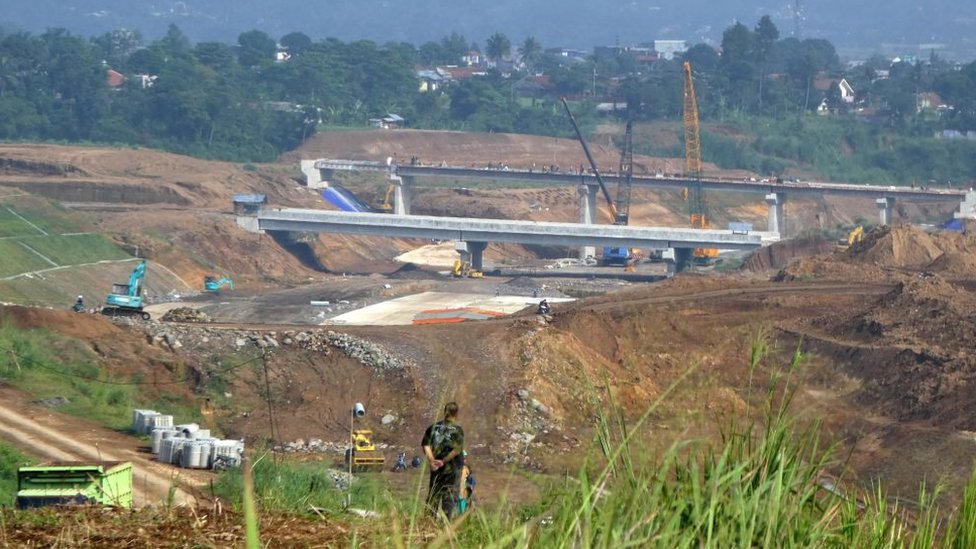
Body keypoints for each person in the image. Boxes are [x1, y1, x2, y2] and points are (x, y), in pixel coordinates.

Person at [421, 402, 465, 518]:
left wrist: (432, 460)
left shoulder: (433, 427)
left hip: (436, 468)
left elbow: (425, 445)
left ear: (444, 412)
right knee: (449, 496)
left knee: (434, 494)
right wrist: (444, 461)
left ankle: (428, 522)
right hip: (452, 469)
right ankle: (446, 525)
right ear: (456, 414)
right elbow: (456, 450)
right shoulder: (457, 430)